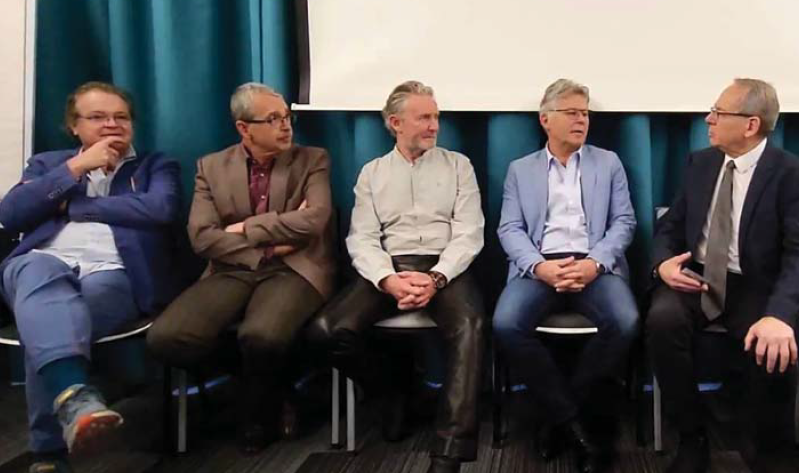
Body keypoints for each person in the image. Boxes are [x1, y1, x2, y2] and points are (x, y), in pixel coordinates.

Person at [0, 82, 180, 473]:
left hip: (114, 273)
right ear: (74, 126)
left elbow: (159, 209)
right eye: (98, 117)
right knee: (41, 281)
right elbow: (11, 214)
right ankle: (75, 402)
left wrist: (74, 206)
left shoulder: (154, 166)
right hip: (41, 263)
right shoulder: (47, 165)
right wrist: (76, 169)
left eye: (121, 117)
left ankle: (49, 453)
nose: (112, 125)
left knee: (44, 325)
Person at [307, 80, 485, 473]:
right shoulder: (372, 173)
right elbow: (362, 238)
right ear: (395, 123)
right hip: (388, 266)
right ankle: (395, 393)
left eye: (436, 117)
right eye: (424, 118)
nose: (434, 125)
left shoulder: (459, 166)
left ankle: (449, 452)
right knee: (326, 331)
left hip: (446, 266)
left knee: (470, 326)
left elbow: (469, 233)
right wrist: (387, 279)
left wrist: (436, 278)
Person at [147, 82, 334, 454]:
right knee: (167, 338)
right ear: (244, 128)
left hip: (294, 267)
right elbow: (202, 237)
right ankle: (270, 386)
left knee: (262, 335)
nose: (285, 125)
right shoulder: (211, 167)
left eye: (287, 116)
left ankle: (258, 414)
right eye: (273, 119)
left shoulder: (312, 159)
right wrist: (267, 244)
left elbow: (314, 220)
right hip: (231, 268)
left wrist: (244, 227)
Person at [646, 78, 799, 473]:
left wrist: (780, 314)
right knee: (661, 321)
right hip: (698, 276)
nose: (708, 119)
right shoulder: (701, 163)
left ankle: (766, 448)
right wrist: (663, 264)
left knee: (774, 340)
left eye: (718, 112)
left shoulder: (794, 174)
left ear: (751, 125)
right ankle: (692, 436)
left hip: (755, 283)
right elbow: (671, 227)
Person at [493, 78, 639, 473]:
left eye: (585, 114)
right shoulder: (521, 169)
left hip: (596, 266)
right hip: (539, 266)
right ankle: (574, 422)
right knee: (506, 324)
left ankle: (560, 413)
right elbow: (510, 228)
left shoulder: (608, 163)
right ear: (546, 120)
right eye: (572, 113)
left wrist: (595, 263)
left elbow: (624, 222)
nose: (581, 120)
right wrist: (539, 266)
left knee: (625, 321)